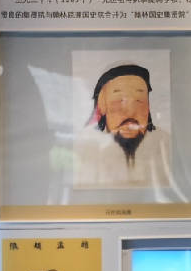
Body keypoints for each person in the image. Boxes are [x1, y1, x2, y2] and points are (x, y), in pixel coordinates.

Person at [73, 62, 177, 191]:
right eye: (118, 101)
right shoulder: (85, 144)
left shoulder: (164, 142)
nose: (130, 111)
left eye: (139, 101)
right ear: (102, 104)